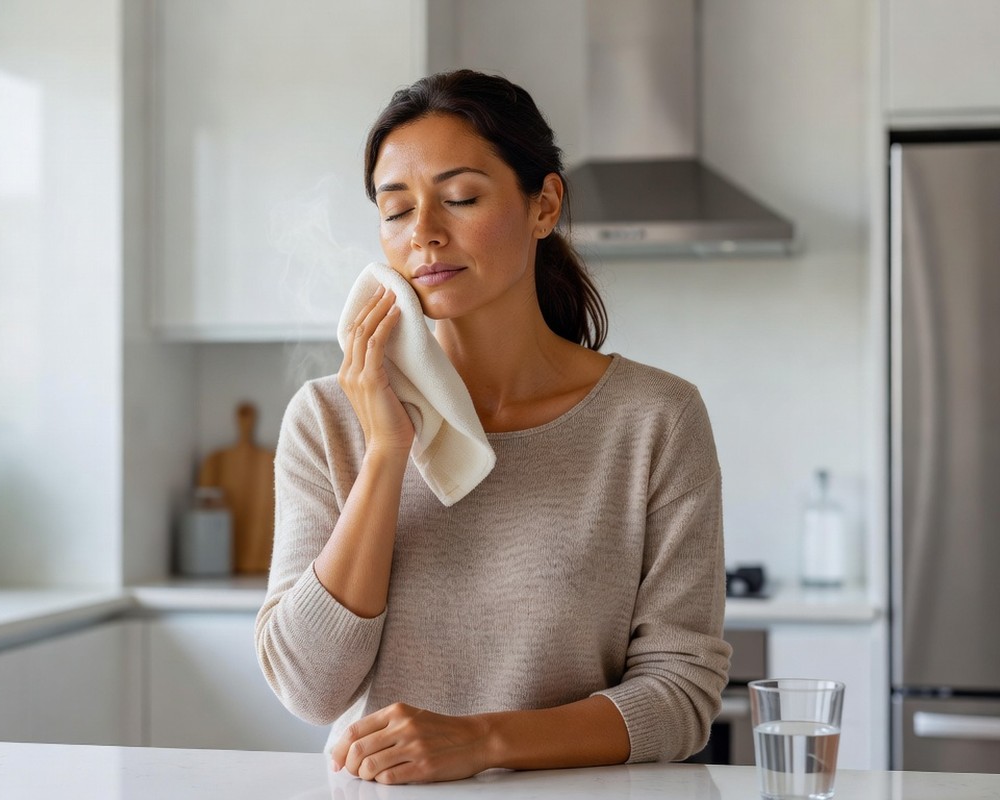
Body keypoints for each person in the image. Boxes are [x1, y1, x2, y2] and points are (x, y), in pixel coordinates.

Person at [255, 69, 730, 785]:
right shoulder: (328, 418)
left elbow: (681, 697)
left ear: (544, 206)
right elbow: (309, 689)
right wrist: (386, 453)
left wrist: (482, 741)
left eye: (461, 198)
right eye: (396, 210)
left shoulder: (656, 419)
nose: (424, 233)